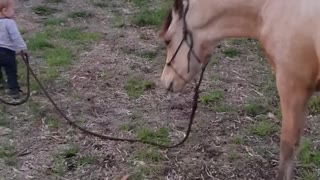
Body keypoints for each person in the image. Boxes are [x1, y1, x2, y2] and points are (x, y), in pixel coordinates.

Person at [0, 0, 27, 99]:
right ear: (5, 11)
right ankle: (13, 90)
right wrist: (22, 48)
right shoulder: (9, 23)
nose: (14, 12)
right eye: (13, 10)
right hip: (7, 52)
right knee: (11, 71)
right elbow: (16, 37)